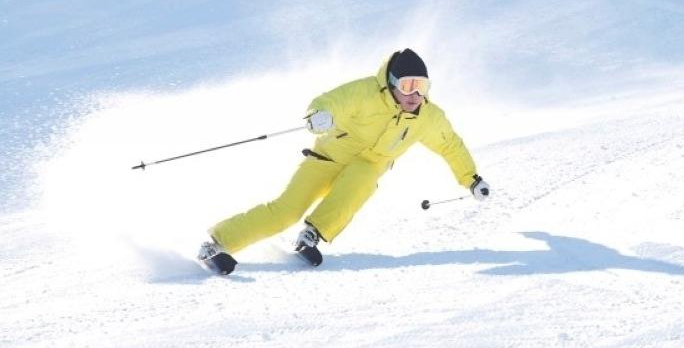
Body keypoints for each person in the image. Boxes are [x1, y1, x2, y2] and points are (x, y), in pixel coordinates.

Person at [198, 48, 490, 274]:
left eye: (422, 86)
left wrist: (471, 178)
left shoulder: (429, 117)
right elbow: (331, 101)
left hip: (366, 167)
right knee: (286, 211)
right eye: (407, 85)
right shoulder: (365, 92)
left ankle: (312, 234)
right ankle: (216, 245)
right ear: (390, 84)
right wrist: (319, 115)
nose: (415, 94)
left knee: (365, 177)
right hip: (327, 158)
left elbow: (450, 145)